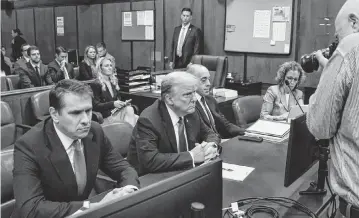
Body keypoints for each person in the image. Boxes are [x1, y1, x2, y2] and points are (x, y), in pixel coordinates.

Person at [12, 79, 140, 218]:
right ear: (55, 114)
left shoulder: (94, 131)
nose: (86, 120)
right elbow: (31, 209)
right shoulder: (28, 146)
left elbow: (124, 168)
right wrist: (91, 206)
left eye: (88, 110)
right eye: (75, 113)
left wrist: (127, 190)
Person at [306, 0, 359, 217]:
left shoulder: (351, 46)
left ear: (354, 22)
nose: (338, 43)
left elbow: (321, 126)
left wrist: (328, 74)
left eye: (339, 35)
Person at [127, 71, 220, 176]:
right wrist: (192, 156)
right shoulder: (149, 120)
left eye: (194, 93)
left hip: (182, 172)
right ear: (169, 99)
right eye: (188, 94)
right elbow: (150, 161)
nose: (194, 99)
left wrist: (211, 146)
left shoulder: (190, 112)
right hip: (151, 179)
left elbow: (210, 133)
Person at [187, 64, 245, 138]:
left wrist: (248, 132)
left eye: (209, 79)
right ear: (191, 82)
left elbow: (226, 125)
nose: (209, 84)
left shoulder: (210, 100)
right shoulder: (190, 105)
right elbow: (199, 136)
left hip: (218, 140)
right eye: (203, 80)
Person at [90, 57, 138, 127]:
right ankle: (129, 136)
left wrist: (123, 104)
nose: (110, 68)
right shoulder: (96, 84)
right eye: (106, 66)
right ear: (100, 68)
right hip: (105, 117)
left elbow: (116, 101)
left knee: (138, 118)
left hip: (115, 112)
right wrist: (113, 104)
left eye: (110, 65)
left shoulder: (113, 81)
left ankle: (127, 135)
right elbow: (96, 106)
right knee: (130, 111)